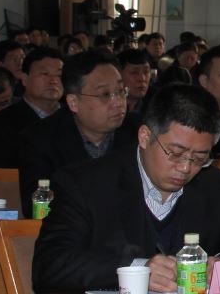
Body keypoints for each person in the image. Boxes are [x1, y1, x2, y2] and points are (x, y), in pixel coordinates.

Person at [31, 84, 220, 293]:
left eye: (200, 158)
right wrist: (137, 271)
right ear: (145, 136)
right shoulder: (85, 183)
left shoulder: (212, 185)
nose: (185, 167)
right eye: (175, 153)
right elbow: (49, 266)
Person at [18, 50, 139, 211]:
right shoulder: (40, 139)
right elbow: (36, 207)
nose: (118, 102)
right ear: (73, 102)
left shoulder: (139, 131)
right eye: (105, 94)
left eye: (121, 91)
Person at [0, 47, 64, 168]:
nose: (53, 81)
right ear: (24, 79)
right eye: (45, 74)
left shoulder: (77, 117)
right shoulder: (1, 123)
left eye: (59, 75)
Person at [119, 47, 153, 115]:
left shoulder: (155, 106)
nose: (142, 78)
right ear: (119, 74)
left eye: (146, 72)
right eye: (134, 72)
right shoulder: (109, 108)